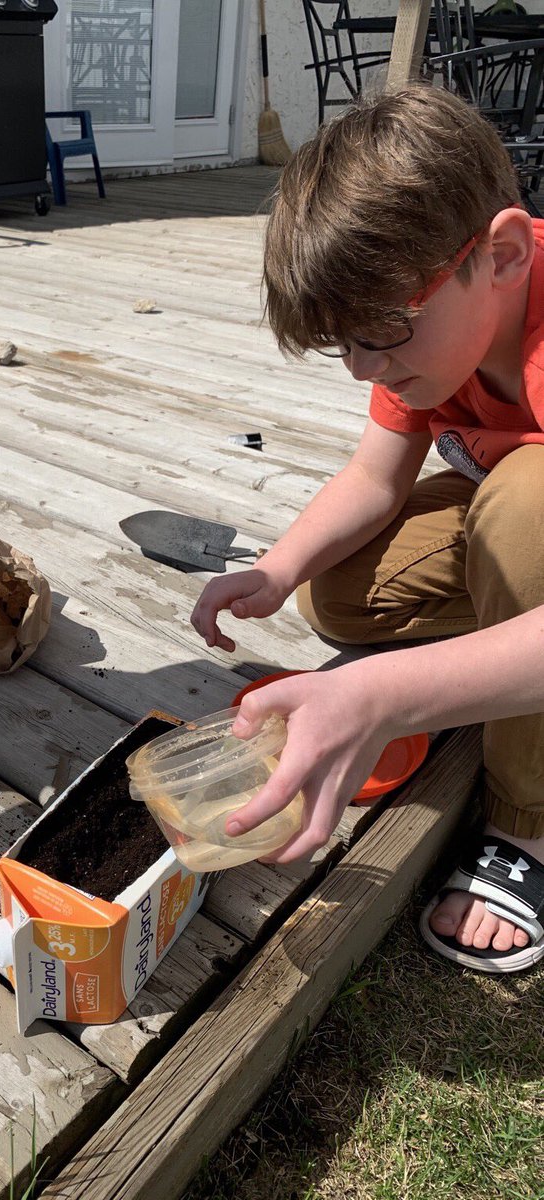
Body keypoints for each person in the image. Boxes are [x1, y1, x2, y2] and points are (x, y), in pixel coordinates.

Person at [191, 84, 544, 974]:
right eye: (341, 344)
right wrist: (274, 570)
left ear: (499, 255)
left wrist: (388, 694)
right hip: (514, 502)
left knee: (527, 508)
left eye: (381, 334)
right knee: (338, 594)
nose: (361, 368)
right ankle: (514, 621)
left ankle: (529, 821)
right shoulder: (418, 322)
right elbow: (373, 477)